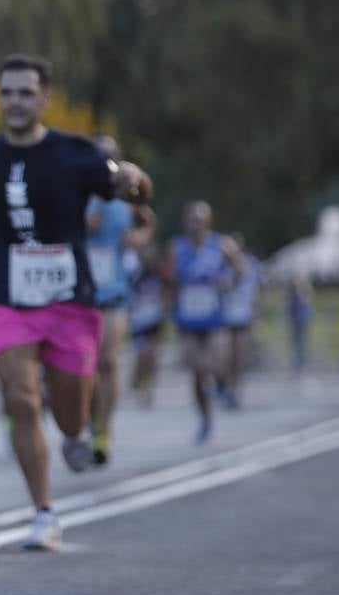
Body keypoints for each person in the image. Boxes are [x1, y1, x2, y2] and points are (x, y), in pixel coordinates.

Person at [0, 54, 152, 552]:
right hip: (6, 300)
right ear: (0, 99)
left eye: (24, 92)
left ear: (44, 98)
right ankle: (43, 512)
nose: (14, 101)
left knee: (70, 415)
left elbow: (135, 190)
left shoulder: (75, 153)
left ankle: (78, 435)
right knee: (19, 396)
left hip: (70, 302)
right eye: (6, 92)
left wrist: (136, 179)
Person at [84, 134, 156, 465]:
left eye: (109, 157)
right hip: (79, 296)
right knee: (83, 367)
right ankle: (86, 419)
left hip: (113, 294)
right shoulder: (76, 195)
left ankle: (103, 431)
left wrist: (137, 238)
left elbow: (147, 219)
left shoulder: (125, 202)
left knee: (109, 361)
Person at [164, 201, 246, 444]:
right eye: (192, 219)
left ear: (209, 221)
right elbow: (169, 280)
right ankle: (205, 418)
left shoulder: (222, 244)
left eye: (200, 219)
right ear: (185, 221)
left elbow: (241, 269)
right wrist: (170, 297)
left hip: (214, 317)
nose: (196, 224)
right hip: (188, 317)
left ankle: (224, 385)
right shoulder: (176, 247)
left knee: (216, 363)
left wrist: (228, 283)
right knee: (197, 372)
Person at [218, 232, 260, 408]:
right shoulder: (219, 265)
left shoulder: (249, 264)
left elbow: (253, 288)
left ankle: (234, 388)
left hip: (243, 317)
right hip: (223, 317)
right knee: (223, 356)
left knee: (239, 356)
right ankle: (223, 384)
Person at [127, 240, 168, 407]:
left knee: (152, 355)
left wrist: (166, 305)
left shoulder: (159, 273)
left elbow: (168, 290)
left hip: (155, 319)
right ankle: (136, 381)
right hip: (138, 321)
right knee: (142, 355)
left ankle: (149, 386)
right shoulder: (133, 273)